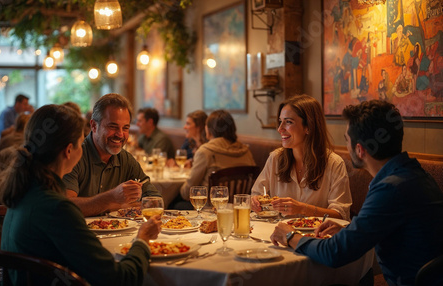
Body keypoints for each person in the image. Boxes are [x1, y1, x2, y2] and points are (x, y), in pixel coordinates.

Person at [270, 100, 443, 286]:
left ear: (359, 150)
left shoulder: (390, 189)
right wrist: (349, 231)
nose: (347, 146)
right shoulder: (414, 174)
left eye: (347, 140)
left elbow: (335, 254)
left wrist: (291, 236)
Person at [0, 104, 162, 286]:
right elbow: (121, 279)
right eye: (81, 142)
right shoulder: (58, 208)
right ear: (69, 151)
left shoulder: (23, 191)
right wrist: (143, 240)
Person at [251, 95, 352, 220]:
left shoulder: (334, 163)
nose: (280, 129)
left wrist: (303, 209)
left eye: (288, 122)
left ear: (308, 127)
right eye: (280, 121)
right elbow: (256, 194)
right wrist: (255, 201)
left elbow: (341, 215)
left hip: (316, 237)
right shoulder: (275, 158)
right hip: (278, 233)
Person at [62, 94, 161, 217]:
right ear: (93, 126)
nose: (120, 134)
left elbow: (155, 200)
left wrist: (118, 206)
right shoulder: (74, 156)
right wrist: (111, 199)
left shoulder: (126, 159)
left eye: (125, 128)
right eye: (113, 127)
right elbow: (65, 207)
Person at [179, 109, 256, 202]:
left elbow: (187, 192)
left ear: (209, 130)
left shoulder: (205, 152)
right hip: (240, 208)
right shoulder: (246, 152)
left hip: (209, 209)